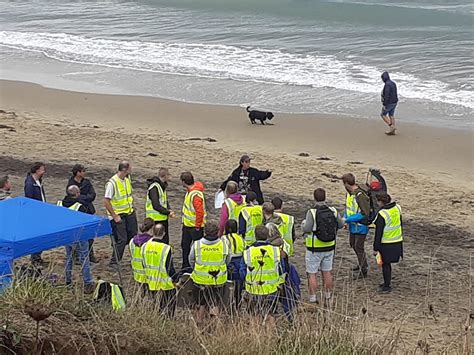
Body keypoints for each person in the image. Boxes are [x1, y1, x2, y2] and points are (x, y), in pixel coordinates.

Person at [302, 188, 343, 304]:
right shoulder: (333, 210)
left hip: (314, 248)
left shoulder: (312, 212)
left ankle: (313, 298)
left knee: (312, 273)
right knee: (327, 272)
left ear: (314, 198)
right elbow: (340, 224)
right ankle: (328, 297)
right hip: (329, 246)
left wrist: (303, 225)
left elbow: (307, 228)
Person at [239, 225, 283, 324]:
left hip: (253, 289)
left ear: (255, 236)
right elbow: (282, 269)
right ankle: (270, 337)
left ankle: (256, 337)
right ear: (267, 236)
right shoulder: (275, 251)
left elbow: (242, 272)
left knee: (254, 314)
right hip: (272, 289)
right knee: (271, 314)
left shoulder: (248, 252)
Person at [189, 221, 230, 324]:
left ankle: (199, 325)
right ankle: (214, 326)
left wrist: (197, 269)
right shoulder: (224, 244)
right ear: (218, 232)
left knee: (200, 303)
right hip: (218, 280)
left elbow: (191, 259)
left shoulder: (197, 244)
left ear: (205, 232)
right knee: (215, 303)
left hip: (200, 280)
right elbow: (228, 259)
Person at [59, 185, 95, 294]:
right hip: (79, 236)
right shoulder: (79, 206)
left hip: (66, 235)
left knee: (69, 257)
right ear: (77, 194)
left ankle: (68, 280)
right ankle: (88, 282)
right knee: (84, 258)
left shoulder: (60, 204)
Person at [104, 161, 138, 268]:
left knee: (133, 237)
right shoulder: (112, 183)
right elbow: (106, 201)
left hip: (129, 212)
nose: (131, 170)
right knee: (121, 239)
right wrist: (114, 216)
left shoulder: (127, 179)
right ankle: (114, 262)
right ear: (124, 169)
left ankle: (136, 259)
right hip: (119, 215)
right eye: (129, 168)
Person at [142, 223, 179, 317]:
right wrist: (176, 279)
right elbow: (169, 268)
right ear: (163, 233)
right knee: (169, 310)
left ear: (153, 232)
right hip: (165, 284)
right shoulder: (165, 248)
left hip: (151, 282)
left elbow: (143, 263)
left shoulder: (144, 246)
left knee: (156, 308)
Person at [67, 164, 98, 263]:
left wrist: (81, 197)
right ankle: (76, 256)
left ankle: (90, 254)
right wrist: (85, 198)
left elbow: (92, 195)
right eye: (83, 171)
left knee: (90, 235)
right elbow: (71, 197)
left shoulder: (87, 182)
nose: (85, 172)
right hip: (76, 213)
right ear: (78, 172)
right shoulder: (71, 184)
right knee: (76, 235)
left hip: (88, 210)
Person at [342, 173, 371, 279]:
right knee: (353, 244)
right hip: (353, 225)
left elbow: (365, 213)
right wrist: (346, 220)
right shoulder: (350, 194)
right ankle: (362, 264)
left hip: (361, 225)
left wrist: (347, 219)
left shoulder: (360, 195)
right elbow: (348, 208)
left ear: (346, 183)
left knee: (359, 247)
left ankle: (364, 270)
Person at [373, 193, 403, 293]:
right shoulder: (397, 208)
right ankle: (387, 283)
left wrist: (375, 248)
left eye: (378, 201)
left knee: (385, 265)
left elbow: (378, 233)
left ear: (381, 202)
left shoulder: (382, 214)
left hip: (386, 243)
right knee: (387, 265)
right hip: (397, 241)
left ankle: (387, 286)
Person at [180, 171, 206, 272]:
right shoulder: (191, 192)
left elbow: (200, 212)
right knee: (185, 246)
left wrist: (197, 226)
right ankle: (185, 266)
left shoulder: (195, 195)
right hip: (188, 225)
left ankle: (195, 267)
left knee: (196, 248)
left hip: (194, 227)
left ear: (184, 182)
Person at [24, 162, 47, 266]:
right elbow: (30, 200)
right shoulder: (30, 183)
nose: (44, 171)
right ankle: (35, 258)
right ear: (37, 170)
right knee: (37, 236)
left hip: (41, 211)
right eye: (42, 169)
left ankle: (37, 256)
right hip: (36, 214)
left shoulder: (37, 181)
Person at [145, 168, 175, 244]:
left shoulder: (161, 187)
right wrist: (168, 212)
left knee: (163, 241)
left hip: (161, 218)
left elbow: (164, 201)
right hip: (155, 220)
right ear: (165, 176)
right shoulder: (155, 187)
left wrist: (169, 209)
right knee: (158, 241)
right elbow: (156, 205)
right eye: (168, 175)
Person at [222, 219, 245, 306]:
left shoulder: (224, 238)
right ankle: (237, 302)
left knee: (228, 284)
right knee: (238, 284)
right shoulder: (241, 238)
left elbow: (224, 251)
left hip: (230, 261)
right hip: (240, 261)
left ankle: (227, 302)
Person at [129, 218, 155, 288]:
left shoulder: (132, 241)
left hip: (137, 275)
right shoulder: (152, 243)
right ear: (152, 228)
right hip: (149, 276)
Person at [380, 71, 399, 135]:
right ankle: (392, 131)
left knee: (383, 115)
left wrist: (384, 104)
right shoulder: (393, 83)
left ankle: (391, 126)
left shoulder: (387, 84)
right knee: (391, 115)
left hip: (389, 103)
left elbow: (386, 95)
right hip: (395, 101)